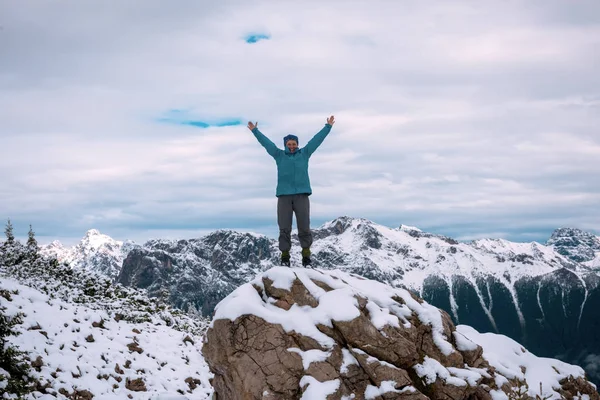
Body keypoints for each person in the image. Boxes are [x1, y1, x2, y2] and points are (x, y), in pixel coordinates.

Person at [247, 116, 335, 267]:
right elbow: (266, 144)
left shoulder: (304, 154)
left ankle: (306, 257)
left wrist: (327, 127)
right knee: (284, 228)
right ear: (285, 145)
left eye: (294, 144)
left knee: (304, 227)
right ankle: (285, 257)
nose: (292, 146)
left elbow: (316, 140)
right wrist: (255, 131)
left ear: (298, 144)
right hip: (284, 196)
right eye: (289, 144)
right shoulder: (279, 155)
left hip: (302, 195)